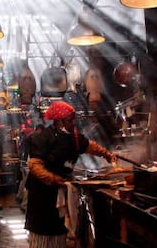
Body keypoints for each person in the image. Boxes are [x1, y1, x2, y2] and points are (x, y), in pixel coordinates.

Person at [25, 101, 117, 248]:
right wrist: (54, 179)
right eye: (69, 120)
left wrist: (107, 154)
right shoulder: (43, 138)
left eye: (74, 119)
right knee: (43, 233)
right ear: (58, 121)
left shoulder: (74, 136)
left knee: (60, 230)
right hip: (42, 194)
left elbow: (89, 146)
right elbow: (34, 165)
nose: (73, 123)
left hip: (61, 189)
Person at [17, 123, 45, 211]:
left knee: (25, 182)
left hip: (27, 162)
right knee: (28, 184)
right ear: (39, 129)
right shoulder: (33, 138)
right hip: (29, 163)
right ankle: (24, 204)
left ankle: (20, 197)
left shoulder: (30, 137)